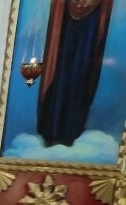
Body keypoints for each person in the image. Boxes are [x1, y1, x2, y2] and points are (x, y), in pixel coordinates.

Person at [37, 0, 113, 147]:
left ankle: (66, 131)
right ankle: (55, 129)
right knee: (64, 70)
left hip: (91, 20)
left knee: (80, 72)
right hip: (69, 18)